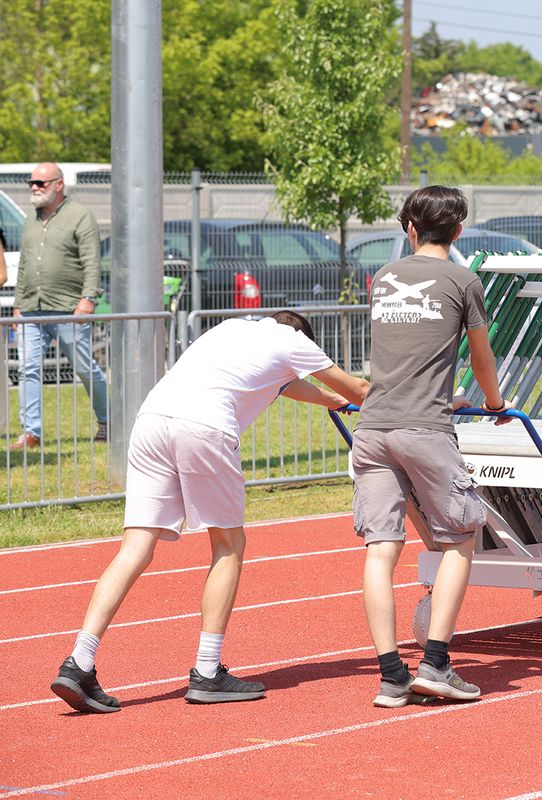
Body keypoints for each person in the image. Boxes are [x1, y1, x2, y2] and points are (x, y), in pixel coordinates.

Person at [50, 310, 369, 713]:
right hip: (204, 426)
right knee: (229, 544)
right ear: (301, 336)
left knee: (134, 548)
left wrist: (328, 399)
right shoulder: (295, 342)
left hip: (151, 421)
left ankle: (79, 660)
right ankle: (206, 670)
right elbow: (358, 387)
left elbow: (286, 386)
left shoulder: (234, 329)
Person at [353, 185, 511, 709]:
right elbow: (481, 358)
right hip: (426, 428)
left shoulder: (384, 278)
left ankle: (390, 673)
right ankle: (437, 663)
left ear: (410, 230)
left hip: (373, 427)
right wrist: (492, 400)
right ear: (459, 231)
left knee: (381, 548)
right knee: (461, 538)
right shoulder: (464, 280)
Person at [12, 163, 109, 449]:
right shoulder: (30, 220)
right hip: (32, 308)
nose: (34, 187)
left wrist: (88, 299)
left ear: (58, 185)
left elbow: (93, 261)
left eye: (40, 183)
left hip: (69, 309)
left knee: (84, 368)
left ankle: (108, 420)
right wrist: (19, 305)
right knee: (27, 369)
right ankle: (32, 433)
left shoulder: (80, 216)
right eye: (32, 183)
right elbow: (25, 265)